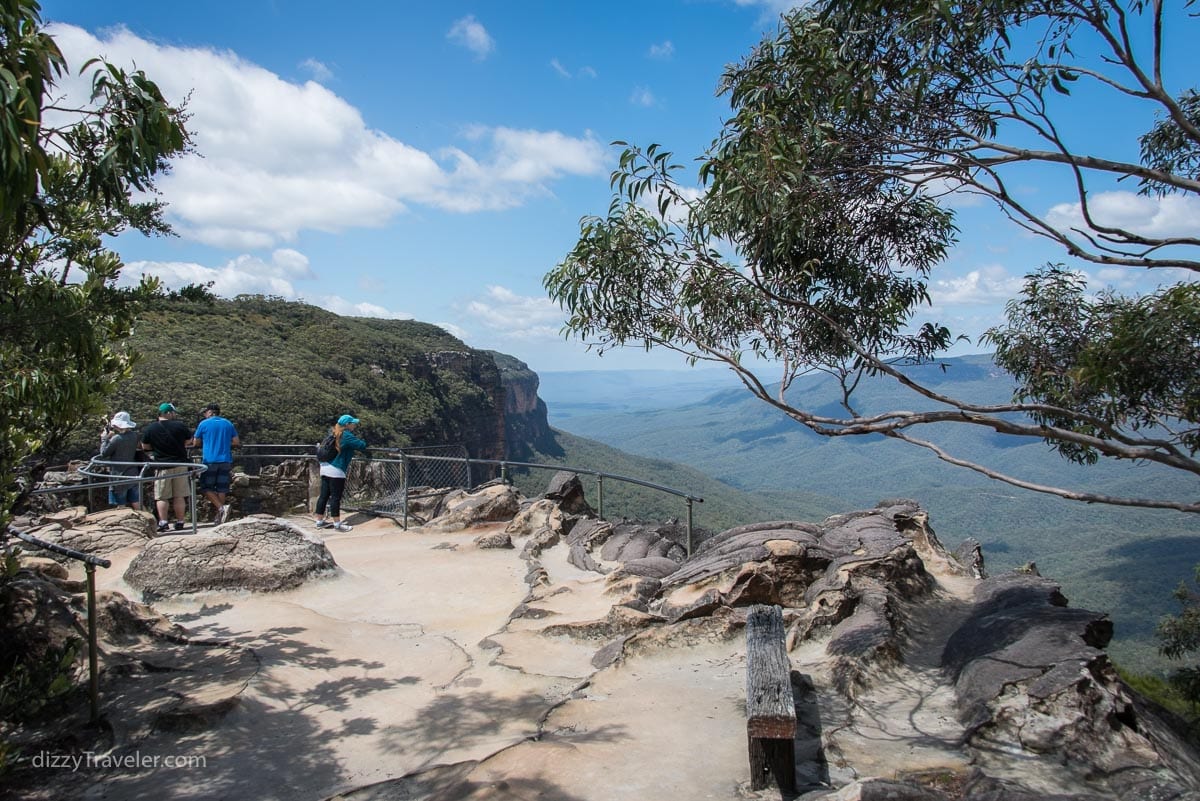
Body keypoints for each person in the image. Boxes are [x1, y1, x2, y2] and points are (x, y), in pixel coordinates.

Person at [140, 402, 194, 532]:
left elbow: (145, 446)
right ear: (168, 413)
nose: (174, 415)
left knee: (162, 496)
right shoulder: (180, 426)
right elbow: (189, 441)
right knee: (179, 495)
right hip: (181, 464)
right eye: (173, 412)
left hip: (162, 465)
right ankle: (180, 521)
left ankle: (163, 522)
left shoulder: (151, 428)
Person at [313, 414, 367, 532]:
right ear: (347, 425)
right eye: (353, 423)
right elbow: (362, 446)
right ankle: (337, 524)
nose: (355, 425)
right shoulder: (346, 435)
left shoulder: (333, 432)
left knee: (324, 496)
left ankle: (319, 521)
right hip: (336, 469)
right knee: (335, 498)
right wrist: (364, 441)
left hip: (325, 466)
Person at [190, 402, 240, 525]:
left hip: (210, 460)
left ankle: (220, 508)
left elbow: (196, 442)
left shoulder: (204, 424)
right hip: (225, 459)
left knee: (206, 487)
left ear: (210, 412)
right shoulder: (228, 423)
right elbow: (236, 442)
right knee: (222, 488)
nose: (205, 414)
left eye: (206, 412)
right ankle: (220, 516)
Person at [99, 411, 143, 511]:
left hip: (119, 475)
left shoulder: (116, 439)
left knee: (121, 505)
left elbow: (104, 453)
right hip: (133, 473)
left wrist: (104, 439)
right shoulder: (134, 436)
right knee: (136, 502)